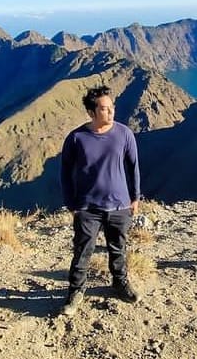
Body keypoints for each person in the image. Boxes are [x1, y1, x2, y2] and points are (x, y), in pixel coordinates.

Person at [59, 85, 141, 316]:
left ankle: (120, 283)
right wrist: (71, 204)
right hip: (87, 207)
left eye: (112, 108)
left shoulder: (124, 134)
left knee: (118, 248)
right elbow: (65, 172)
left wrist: (135, 197)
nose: (111, 112)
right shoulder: (76, 138)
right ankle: (76, 291)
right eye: (105, 109)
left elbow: (133, 166)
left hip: (120, 205)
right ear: (91, 112)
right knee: (83, 250)